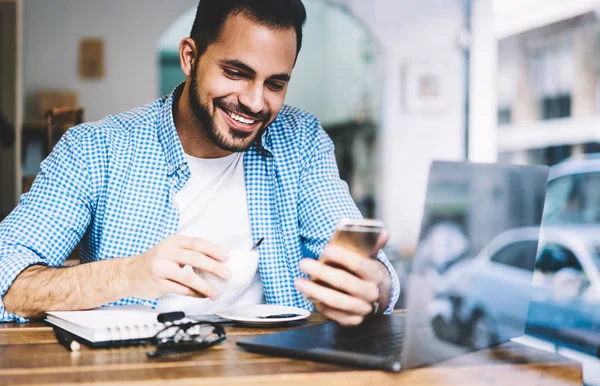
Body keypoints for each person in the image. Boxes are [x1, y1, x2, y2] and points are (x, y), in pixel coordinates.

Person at [0, 0, 399, 325]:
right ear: (190, 58)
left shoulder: (303, 142)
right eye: (236, 72)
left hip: (274, 377)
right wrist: (126, 274)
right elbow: (7, 280)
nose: (256, 102)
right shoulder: (95, 150)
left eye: (275, 83)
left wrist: (374, 287)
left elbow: (364, 267)